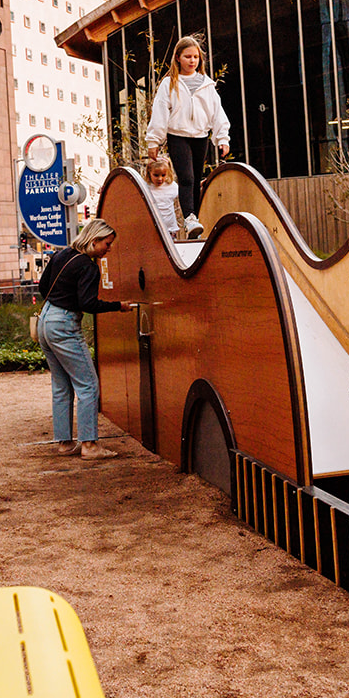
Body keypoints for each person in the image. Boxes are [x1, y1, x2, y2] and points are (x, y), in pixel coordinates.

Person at [36, 218, 133, 459]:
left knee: (61, 385)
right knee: (88, 385)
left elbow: (43, 286)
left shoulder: (62, 254)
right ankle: (90, 445)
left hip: (45, 321)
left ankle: (65, 443)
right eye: (107, 244)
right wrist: (118, 306)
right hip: (65, 325)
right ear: (94, 240)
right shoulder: (88, 266)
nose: (109, 249)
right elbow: (88, 304)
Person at [144, 37, 230, 239]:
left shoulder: (207, 84)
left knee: (195, 180)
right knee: (186, 178)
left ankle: (194, 224)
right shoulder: (169, 83)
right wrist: (153, 141)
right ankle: (190, 219)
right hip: (178, 135)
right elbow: (160, 112)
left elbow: (217, 112)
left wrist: (222, 138)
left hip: (201, 136)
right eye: (187, 57)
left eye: (196, 57)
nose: (192, 61)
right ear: (178, 58)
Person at [144, 156, 181, 237]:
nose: (160, 179)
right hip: (152, 229)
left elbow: (186, 194)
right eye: (156, 175)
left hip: (170, 229)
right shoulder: (145, 187)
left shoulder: (172, 186)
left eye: (163, 175)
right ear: (149, 173)